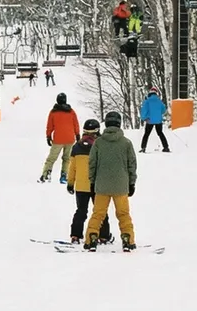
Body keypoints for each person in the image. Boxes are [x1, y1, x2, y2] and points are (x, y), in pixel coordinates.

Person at [84, 110, 139, 252]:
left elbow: (92, 164)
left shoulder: (98, 143)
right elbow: (131, 164)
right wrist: (131, 182)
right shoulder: (126, 143)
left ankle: (91, 238)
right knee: (123, 214)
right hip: (121, 186)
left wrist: (92, 181)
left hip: (101, 185)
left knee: (98, 214)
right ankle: (127, 238)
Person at [67, 117, 112, 245]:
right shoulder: (101, 146)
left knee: (81, 211)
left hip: (81, 186)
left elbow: (72, 168)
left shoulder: (76, 147)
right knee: (100, 212)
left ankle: (75, 235)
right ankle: (103, 236)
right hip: (97, 185)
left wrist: (71, 183)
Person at [41, 93, 80, 183]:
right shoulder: (71, 111)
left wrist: (48, 136)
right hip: (70, 138)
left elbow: (50, 126)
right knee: (67, 158)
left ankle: (46, 174)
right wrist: (77, 135)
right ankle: (64, 175)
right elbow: (76, 124)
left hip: (58, 139)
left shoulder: (53, 112)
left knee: (51, 158)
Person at [140, 88, 170, 153]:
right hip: (158, 121)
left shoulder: (147, 101)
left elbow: (144, 110)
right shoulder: (159, 101)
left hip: (149, 120)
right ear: (156, 93)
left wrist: (144, 118)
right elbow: (164, 110)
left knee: (146, 134)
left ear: (150, 93)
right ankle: (166, 147)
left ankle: (143, 148)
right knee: (160, 133)